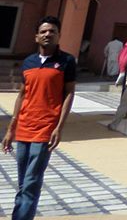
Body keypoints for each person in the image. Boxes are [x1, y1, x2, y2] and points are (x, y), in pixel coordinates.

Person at [2, 16, 76, 220]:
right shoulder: (29, 62)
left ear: (59, 35)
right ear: (36, 37)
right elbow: (22, 95)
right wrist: (11, 129)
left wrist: (59, 127)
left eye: (52, 31)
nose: (48, 34)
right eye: (43, 32)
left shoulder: (66, 61)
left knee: (32, 181)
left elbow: (69, 93)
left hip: (45, 130)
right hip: (24, 128)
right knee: (23, 182)